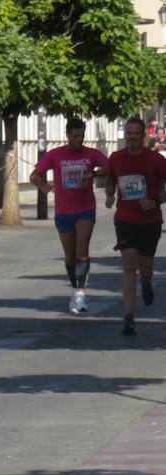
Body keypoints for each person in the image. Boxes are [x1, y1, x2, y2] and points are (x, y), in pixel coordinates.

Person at [29, 117, 108, 314]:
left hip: (85, 209)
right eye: (75, 136)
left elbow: (109, 167)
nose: (78, 140)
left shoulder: (91, 154)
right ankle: (74, 288)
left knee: (82, 251)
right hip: (64, 211)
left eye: (81, 136)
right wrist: (45, 187)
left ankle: (81, 293)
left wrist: (94, 174)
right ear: (67, 135)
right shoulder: (56, 155)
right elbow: (34, 175)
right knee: (70, 256)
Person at [105, 116, 166, 336]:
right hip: (125, 219)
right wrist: (110, 195)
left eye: (136, 134)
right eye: (129, 133)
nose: (132, 137)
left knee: (145, 268)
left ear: (143, 136)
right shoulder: (116, 158)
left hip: (150, 221)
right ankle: (129, 318)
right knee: (129, 265)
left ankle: (147, 282)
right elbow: (110, 180)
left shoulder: (156, 159)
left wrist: (156, 201)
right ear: (125, 135)